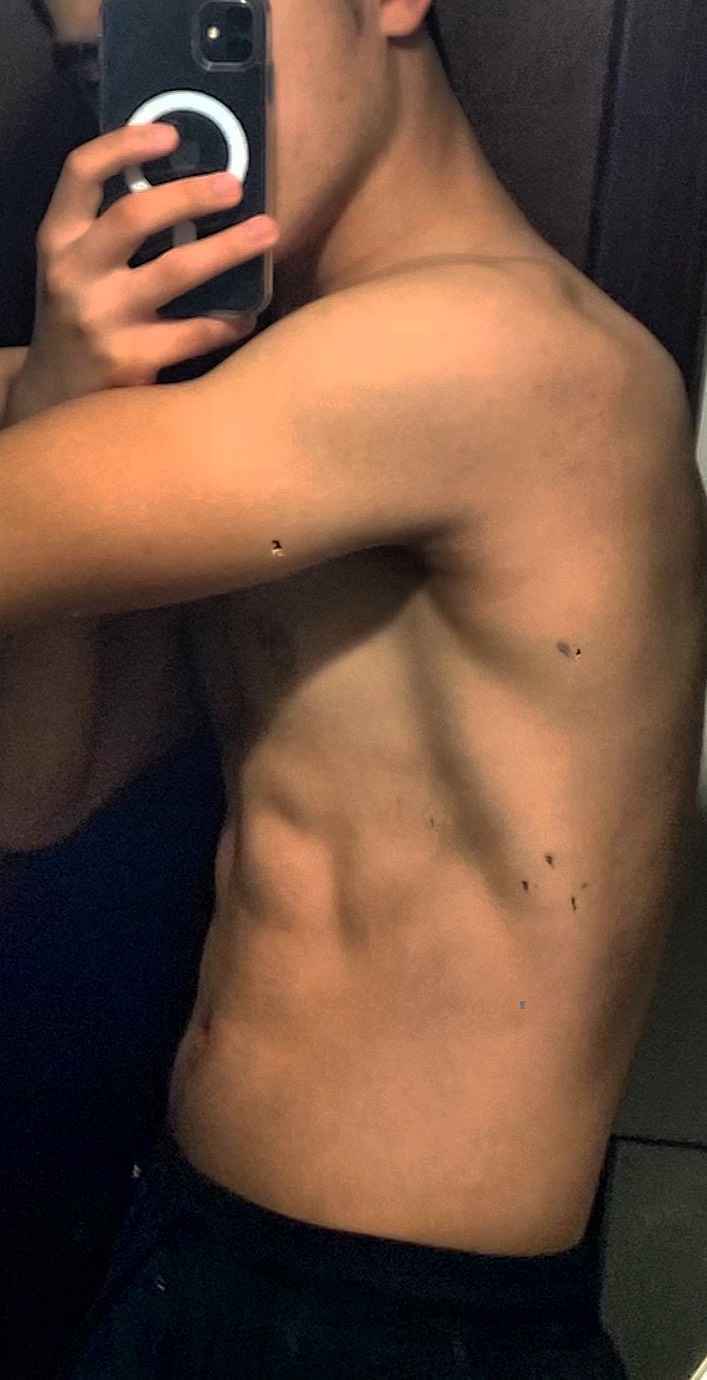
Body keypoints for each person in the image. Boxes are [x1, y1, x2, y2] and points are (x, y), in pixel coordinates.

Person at [2, 1, 705, 1375]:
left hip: (399, 1326)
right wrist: (60, 391)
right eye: (103, 67)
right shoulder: (249, 423)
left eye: (200, 19)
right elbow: (40, 788)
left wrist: (50, 394)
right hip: (189, 1241)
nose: (153, 124)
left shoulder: (517, 356)